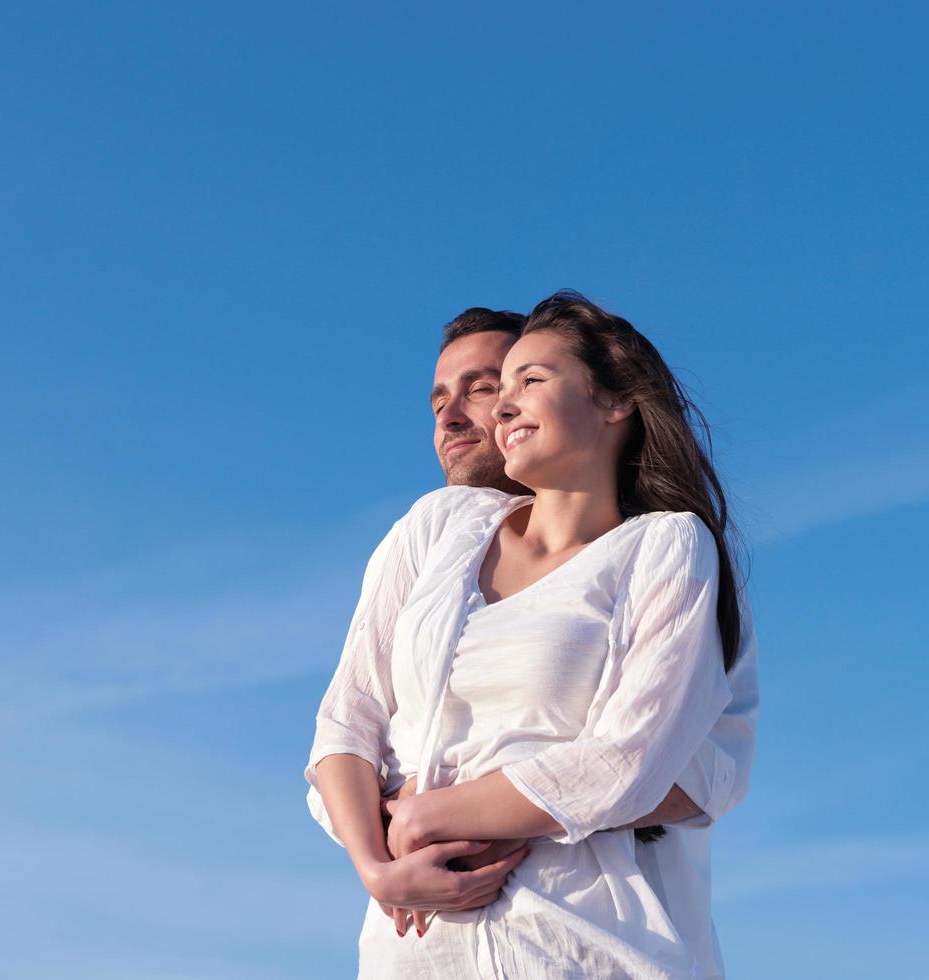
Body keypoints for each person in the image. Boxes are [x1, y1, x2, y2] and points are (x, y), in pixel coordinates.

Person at [305, 291, 759, 978]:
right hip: (416, 953)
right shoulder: (437, 528)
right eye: (438, 402)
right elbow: (348, 721)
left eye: (498, 385)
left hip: (585, 947)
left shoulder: (666, 550)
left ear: (609, 399)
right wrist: (377, 863)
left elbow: (683, 771)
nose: (469, 415)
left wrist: (442, 816)